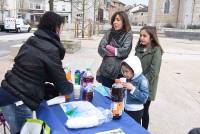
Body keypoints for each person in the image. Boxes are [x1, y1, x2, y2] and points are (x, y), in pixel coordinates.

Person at [0, 11, 73, 133]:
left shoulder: (32, 40)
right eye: (61, 27)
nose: (61, 30)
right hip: (19, 100)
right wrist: (71, 87)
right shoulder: (51, 49)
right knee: (23, 131)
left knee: (17, 131)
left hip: (5, 92)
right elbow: (63, 86)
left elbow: (31, 68)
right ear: (55, 27)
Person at [135, 26, 163, 129]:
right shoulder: (139, 48)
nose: (141, 38)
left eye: (144, 36)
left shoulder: (156, 51)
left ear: (151, 37)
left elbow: (154, 73)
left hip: (147, 87)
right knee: (136, 110)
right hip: (135, 84)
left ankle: (144, 130)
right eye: (140, 35)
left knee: (144, 110)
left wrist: (139, 82)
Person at [97, 11, 133, 88]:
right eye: (114, 20)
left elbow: (125, 50)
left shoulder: (128, 34)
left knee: (117, 96)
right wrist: (112, 52)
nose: (114, 22)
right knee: (105, 94)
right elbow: (100, 48)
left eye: (118, 20)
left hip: (119, 72)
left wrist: (111, 48)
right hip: (106, 70)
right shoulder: (109, 32)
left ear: (124, 22)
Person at [117, 56, 149, 124]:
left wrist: (133, 89)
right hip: (125, 108)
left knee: (134, 129)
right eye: (123, 71)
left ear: (134, 70)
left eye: (126, 71)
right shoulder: (128, 78)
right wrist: (118, 89)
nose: (124, 74)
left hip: (136, 111)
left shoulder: (143, 80)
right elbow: (125, 93)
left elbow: (144, 98)